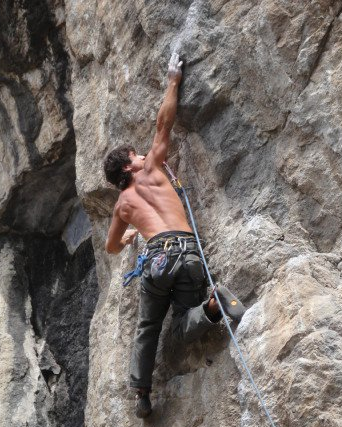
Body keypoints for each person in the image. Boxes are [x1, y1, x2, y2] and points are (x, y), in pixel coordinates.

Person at [102, 53, 246, 419]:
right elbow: (163, 123)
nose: (142, 154)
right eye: (135, 154)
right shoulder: (152, 169)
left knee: (149, 326)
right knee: (183, 321)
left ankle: (142, 393)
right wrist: (173, 80)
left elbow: (110, 246)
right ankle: (211, 306)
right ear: (129, 165)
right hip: (190, 252)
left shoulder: (122, 206)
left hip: (158, 257)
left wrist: (130, 235)